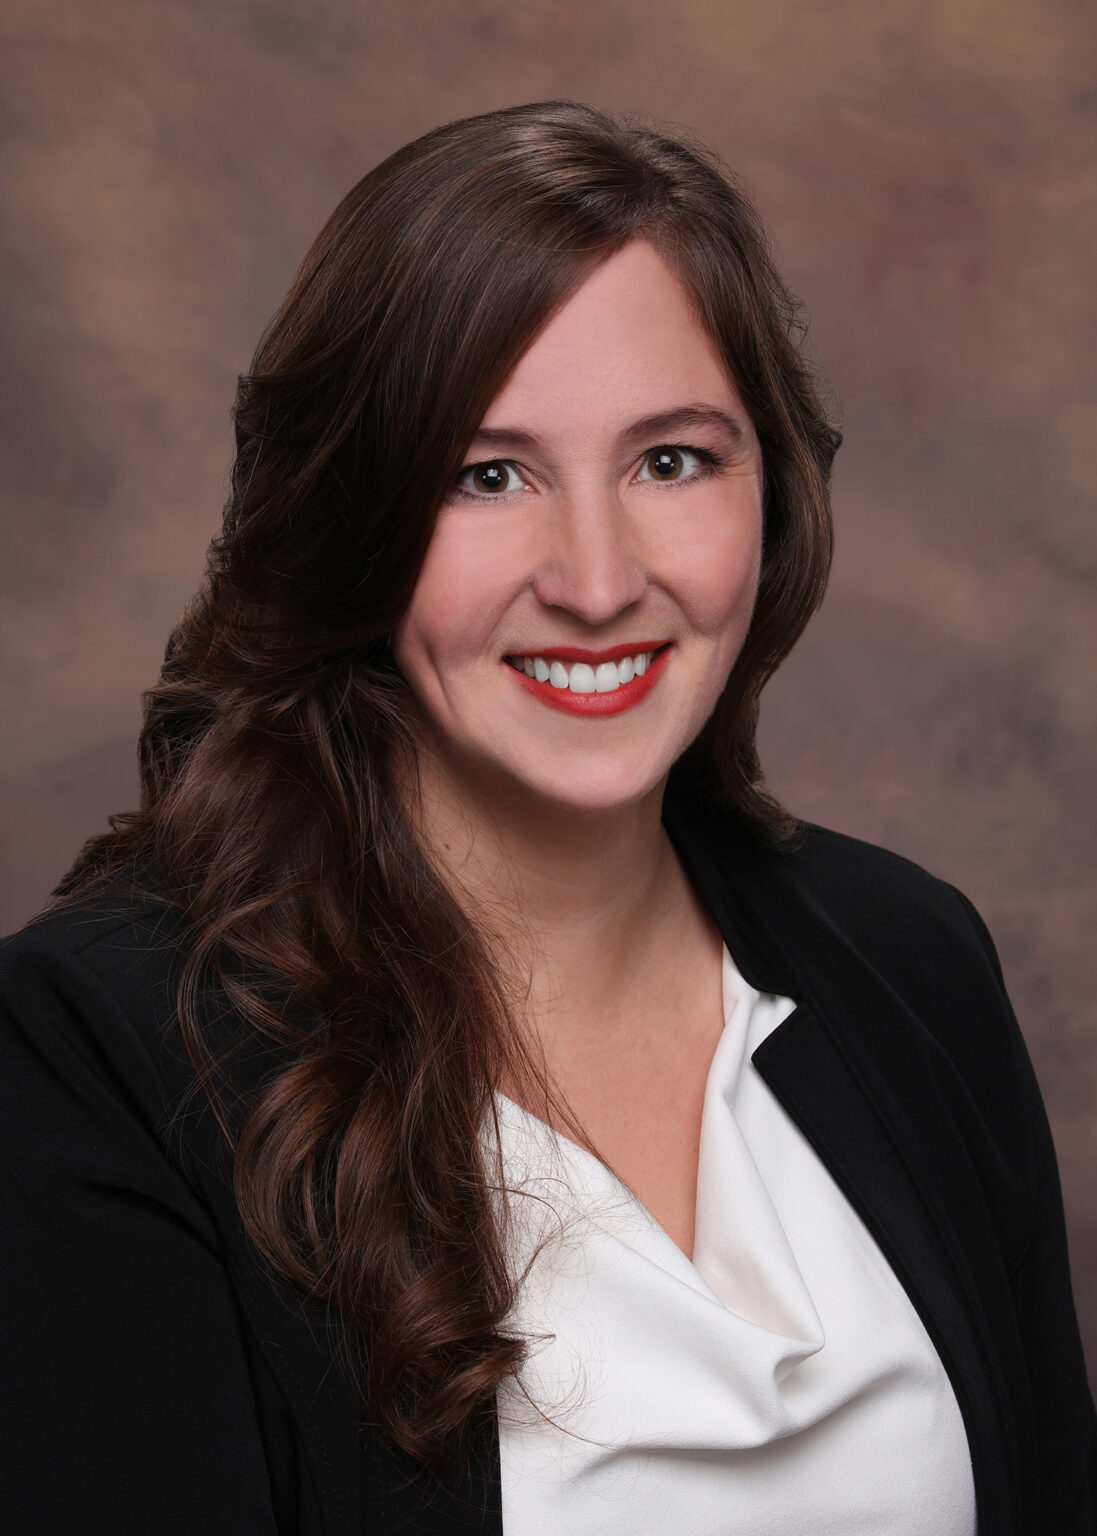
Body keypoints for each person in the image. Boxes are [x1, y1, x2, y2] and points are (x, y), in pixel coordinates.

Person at [1, 99, 1093, 1536]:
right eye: (487, 474)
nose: (594, 578)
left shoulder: (913, 962)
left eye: (672, 460)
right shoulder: (109, 1051)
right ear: (352, 522)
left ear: (772, 493)